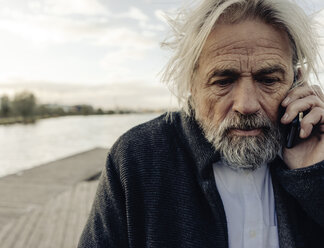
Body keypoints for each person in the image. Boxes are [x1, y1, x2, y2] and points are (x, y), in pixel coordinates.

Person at [79, 0, 324, 247]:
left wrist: (315, 177)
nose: (246, 104)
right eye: (223, 81)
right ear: (191, 85)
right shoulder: (137, 159)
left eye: (268, 80)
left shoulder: (315, 151)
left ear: (296, 83)